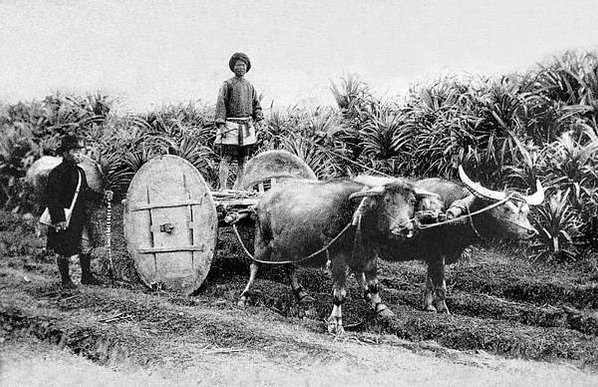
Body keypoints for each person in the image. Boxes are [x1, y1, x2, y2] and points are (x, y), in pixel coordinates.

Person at [44, 134, 113, 289]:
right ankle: (66, 279)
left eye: (80, 151)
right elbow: (52, 198)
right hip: (64, 216)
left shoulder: (80, 172)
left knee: (85, 244)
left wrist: (102, 197)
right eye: (75, 151)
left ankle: (86, 276)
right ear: (66, 153)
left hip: (79, 216)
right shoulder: (57, 173)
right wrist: (59, 218)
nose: (79, 154)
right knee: (64, 248)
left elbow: (85, 192)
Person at [214, 52, 264, 190]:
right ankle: (223, 188)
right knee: (227, 158)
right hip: (231, 126)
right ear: (233, 67)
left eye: (243, 65)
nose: (241, 68)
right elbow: (221, 103)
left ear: (246, 67)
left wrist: (258, 114)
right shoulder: (227, 84)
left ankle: (240, 188)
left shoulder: (250, 86)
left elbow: (256, 104)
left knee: (243, 160)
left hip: (246, 127)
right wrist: (221, 124)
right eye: (238, 65)